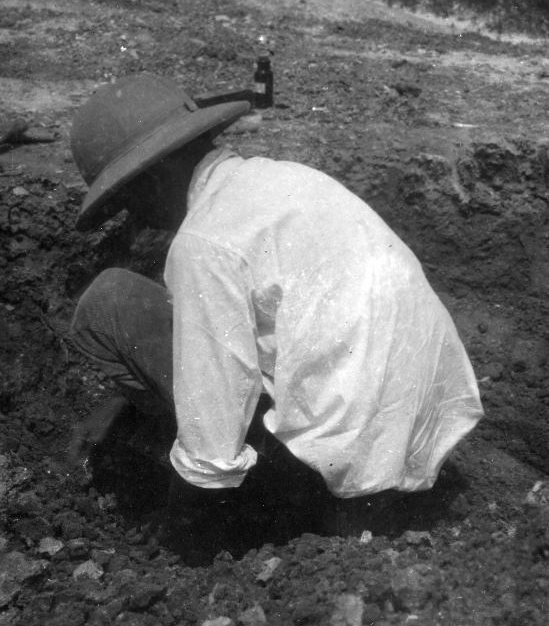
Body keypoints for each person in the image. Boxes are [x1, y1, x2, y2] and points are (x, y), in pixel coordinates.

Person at [67, 72, 484, 539]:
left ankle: (260, 509)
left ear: (156, 174)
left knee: (110, 301)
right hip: (420, 445)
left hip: (329, 481)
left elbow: (212, 445)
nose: (132, 217)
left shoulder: (204, 243)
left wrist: (177, 534)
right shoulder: (288, 180)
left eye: (126, 197)